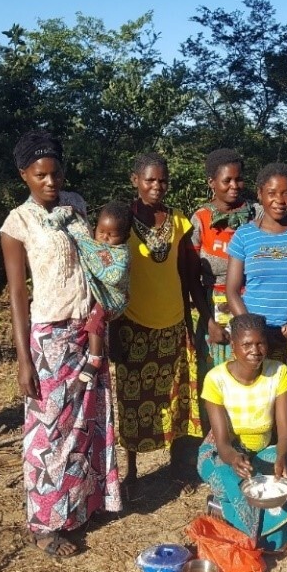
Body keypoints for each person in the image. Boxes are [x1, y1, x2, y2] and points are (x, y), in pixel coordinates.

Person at [0, 130, 121, 558]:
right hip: (48, 336)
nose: (50, 182)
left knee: (88, 421)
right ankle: (46, 523)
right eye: (40, 175)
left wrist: (100, 321)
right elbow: (17, 294)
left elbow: (96, 261)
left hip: (86, 328)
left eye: (56, 173)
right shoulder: (18, 224)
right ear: (24, 176)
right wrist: (23, 359)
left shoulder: (77, 206)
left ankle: (84, 506)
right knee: (48, 431)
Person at [110, 152, 211, 495]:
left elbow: (186, 275)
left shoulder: (180, 222)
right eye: (150, 180)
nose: (157, 186)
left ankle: (178, 466)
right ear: (134, 180)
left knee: (175, 398)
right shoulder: (121, 221)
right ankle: (132, 472)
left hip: (172, 323)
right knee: (133, 400)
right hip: (133, 325)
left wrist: (190, 322)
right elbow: (108, 273)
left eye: (162, 180)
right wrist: (111, 328)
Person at [226, 163, 287, 486]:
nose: (280, 200)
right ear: (259, 195)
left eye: (285, 193)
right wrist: (251, 329)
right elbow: (231, 289)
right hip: (256, 345)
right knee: (260, 411)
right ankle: (255, 478)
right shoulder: (245, 236)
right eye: (272, 193)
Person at [197, 313, 287, 552]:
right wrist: (234, 459)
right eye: (247, 344)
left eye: (260, 343)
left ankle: (274, 538)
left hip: (263, 449)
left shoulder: (278, 373)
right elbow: (223, 442)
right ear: (234, 346)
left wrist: (281, 456)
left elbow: (285, 433)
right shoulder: (216, 380)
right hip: (222, 451)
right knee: (232, 478)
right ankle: (246, 536)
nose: (255, 350)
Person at [190, 148, 261, 375]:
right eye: (226, 180)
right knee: (216, 378)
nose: (234, 185)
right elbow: (191, 277)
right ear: (211, 182)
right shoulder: (200, 219)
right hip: (212, 309)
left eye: (238, 179)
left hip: (252, 304)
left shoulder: (257, 215)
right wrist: (209, 322)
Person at [78, 200, 132, 390]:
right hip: (101, 296)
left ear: (125, 237)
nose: (105, 238)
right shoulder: (97, 246)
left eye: (112, 235)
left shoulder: (122, 253)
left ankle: (95, 358)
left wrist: (82, 246)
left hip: (112, 300)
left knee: (96, 319)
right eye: (101, 232)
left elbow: (112, 273)